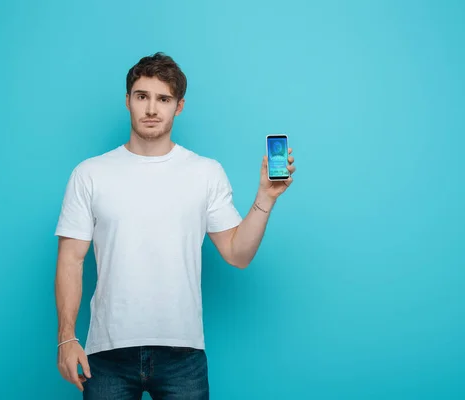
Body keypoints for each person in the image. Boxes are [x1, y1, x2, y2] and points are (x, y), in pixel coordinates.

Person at [54, 52, 296, 399]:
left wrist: (265, 199)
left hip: (183, 355)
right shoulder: (90, 173)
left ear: (178, 106)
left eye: (163, 99)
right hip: (106, 353)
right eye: (142, 96)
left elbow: (237, 254)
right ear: (128, 101)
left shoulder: (205, 172)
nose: (152, 109)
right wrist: (66, 337)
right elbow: (70, 260)